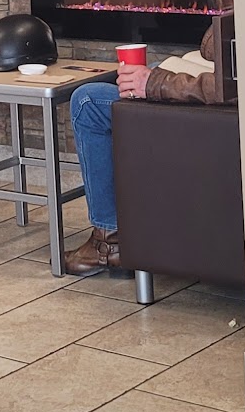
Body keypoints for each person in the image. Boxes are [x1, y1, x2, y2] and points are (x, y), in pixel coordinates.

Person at [63, 24, 225, 274]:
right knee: (152, 69)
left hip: (212, 115)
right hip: (214, 107)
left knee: (88, 102)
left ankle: (109, 241)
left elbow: (228, 81)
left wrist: (155, 82)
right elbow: (215, 51)